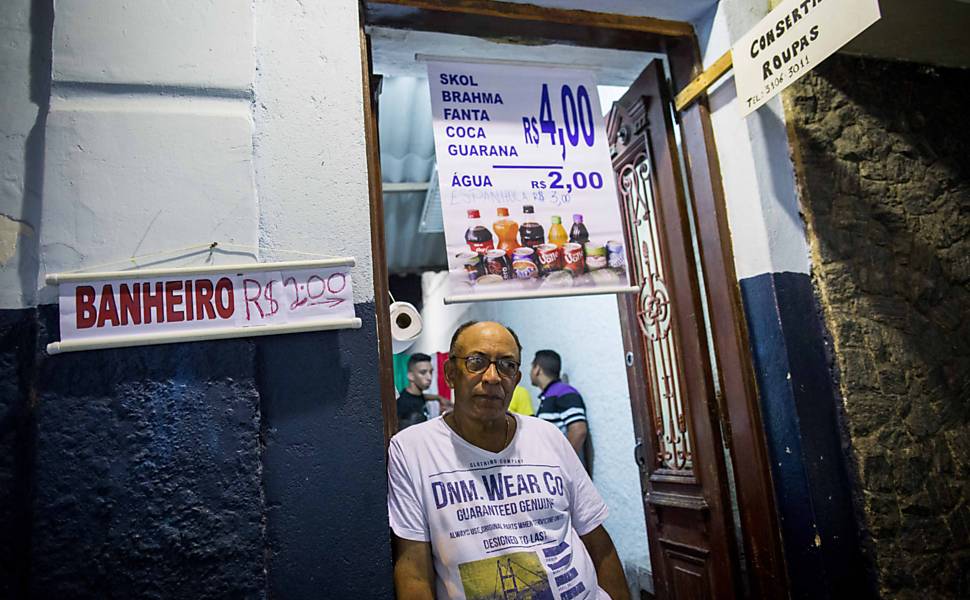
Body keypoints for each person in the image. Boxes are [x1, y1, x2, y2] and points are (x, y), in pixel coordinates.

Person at [388, 320, 629, 600]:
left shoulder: (546, 436)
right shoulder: (413, 449)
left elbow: (599, 545)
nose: (492, 377)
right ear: (451, 373)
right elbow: (413, 572)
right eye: (476, 362)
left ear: (516, 379)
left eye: (507, 365)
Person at [531, 349, 589, 467]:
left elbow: (579, 431)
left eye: (532, 367)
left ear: (537, 369)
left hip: (565, 477)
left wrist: (562, 466)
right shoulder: (549, 396)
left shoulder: (564, 392)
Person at [397, 353, 438, 430]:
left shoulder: (418, 395)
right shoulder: (404, 404)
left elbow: (420, 397)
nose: (429, 377)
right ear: (410, 376)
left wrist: (439, 398)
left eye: (431, 372)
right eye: (423, 372)